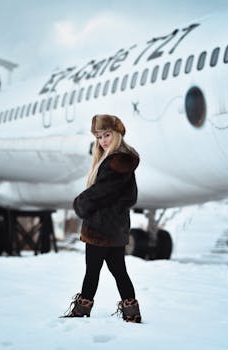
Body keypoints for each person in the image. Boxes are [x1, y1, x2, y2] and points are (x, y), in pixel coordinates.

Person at [63, 114, 142, 323]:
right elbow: (129, 197)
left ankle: (81, 310)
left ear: (117, 134)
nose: (103, 140)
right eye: (99, 137)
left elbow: (100, 192)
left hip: (100, 228)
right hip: (116, 228)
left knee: (93, 271)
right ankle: (131, 312)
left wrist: (81, 203)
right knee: (118, 271)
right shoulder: (122, 163)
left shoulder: (115, 162)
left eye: (107, 135)